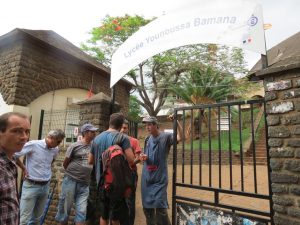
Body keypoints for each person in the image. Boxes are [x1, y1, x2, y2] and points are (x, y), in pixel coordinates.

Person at [88, 113, 135, 225]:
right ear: (121, 125)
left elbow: (90, 161)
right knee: (115, 217)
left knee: (103, 215)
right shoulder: (122, 138)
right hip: (117, 184)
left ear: (109, 122)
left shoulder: (97, 138)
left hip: (101, 182)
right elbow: (131, 160)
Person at [15, 129, 65, 225]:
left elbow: (51, 161)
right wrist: (23, 168)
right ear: (51, 138)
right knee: (24, 219)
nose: (59, 144)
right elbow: (15, 154)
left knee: (37, 219)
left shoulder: (55, 149)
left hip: (45, 186)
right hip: (31, 185)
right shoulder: (34, 145)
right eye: (58, 141)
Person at [141, 115, 183, 225]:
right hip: (147, 178)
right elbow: (145, 154)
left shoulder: (166, 137)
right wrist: (142, 156)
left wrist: (176, 122)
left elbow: (181, 137)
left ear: (156, 125)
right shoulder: (147, 139)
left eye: (149, 124)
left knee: (160, 208)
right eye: (146, 125)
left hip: (159, 178)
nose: (147, 127)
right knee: (147, 209)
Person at [55, 124, 97, 225]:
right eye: (92, 132)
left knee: (82, 212)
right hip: (71, 181)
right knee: (65, 209)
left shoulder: (94, 146)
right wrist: (73, 174)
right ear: (85, 133)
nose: (95, 133)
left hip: (84, 183)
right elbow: (65, 163)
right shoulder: (75, 146)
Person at [0, 112, 31, 225]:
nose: (25, 137)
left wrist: (23, 168)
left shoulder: (11, 160)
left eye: (27, 131)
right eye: (17, 131)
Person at [120, 120, 142, 225]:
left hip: (130, 174)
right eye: (121, 128)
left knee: (129, 201)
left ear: (128, 129)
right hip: (117, 175)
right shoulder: (114, 140)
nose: (123, 130)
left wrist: (133, 161)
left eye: (125, 128)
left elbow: (138, 158)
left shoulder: (134, 141)